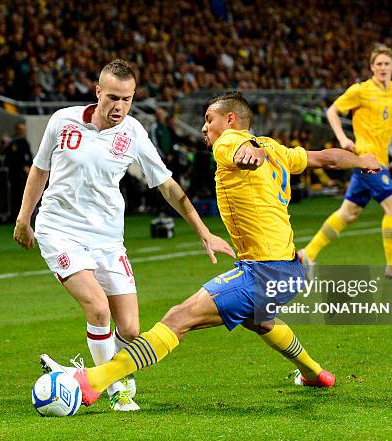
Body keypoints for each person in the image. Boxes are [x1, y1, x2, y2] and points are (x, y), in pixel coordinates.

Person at [39, 91, 382, 407]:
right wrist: (360, 158)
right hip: (290, 270)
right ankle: (314, 373)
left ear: (230, 120)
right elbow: (326, 159)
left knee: (178, 318)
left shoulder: (228, 142)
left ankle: (91, 382)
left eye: (209, 119)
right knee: (259, 320)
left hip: (263, 271)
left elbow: (239, 152)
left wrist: (251, 155)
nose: (205, 127)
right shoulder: (277, 148)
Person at [13, 60, 233, 411]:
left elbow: (169, 187)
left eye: (127, 99)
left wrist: (203, 230)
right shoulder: (62, 121)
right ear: (98, 92)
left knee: (131, 330)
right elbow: (40, 169)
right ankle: (113, 386)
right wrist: (25, 219)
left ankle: (81, 375)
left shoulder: (133, 133)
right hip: (59, 229)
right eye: (112, 97)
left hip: (108, 239)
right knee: (98, 309)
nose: (119, 107)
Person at [301, 46, 392, 284]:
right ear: (372, 67)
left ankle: (307, 254)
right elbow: (332, 111)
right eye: (379, 64)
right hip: (366, 160)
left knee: (348, 213)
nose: (383, 68)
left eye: (387, 64)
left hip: (380, 160)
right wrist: (343, 138)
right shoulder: (361, 91)